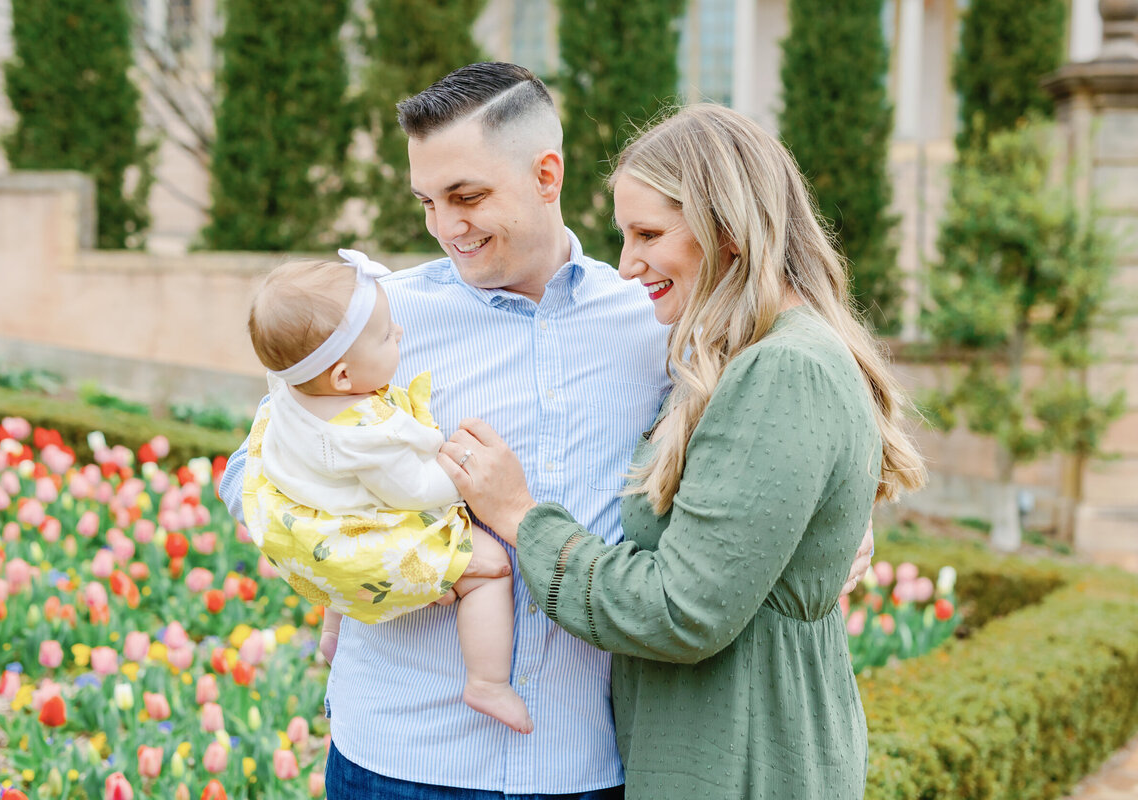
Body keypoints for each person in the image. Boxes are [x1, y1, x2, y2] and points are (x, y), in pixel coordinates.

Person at [219, 63, 873, 799]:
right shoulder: (376, 324)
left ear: (547, 173)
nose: (445, 227)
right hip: (402, 760)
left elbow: (768, 449)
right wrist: (367, 554)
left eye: (467, 197)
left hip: (588, 765)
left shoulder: (659, 316)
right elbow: (253, 470)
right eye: (428, 201)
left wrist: (845, 531)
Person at [436, 104, 927, 800]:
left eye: (649, 234)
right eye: (624, 236)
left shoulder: (781, 368)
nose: (629, 264)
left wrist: (519, 517)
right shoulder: (735, 358)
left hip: (743, 758)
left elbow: (680, 610)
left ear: (726, 231)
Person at [241, 249, 532, 734]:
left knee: (339, 550)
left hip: (319, 531)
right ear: (343, 377)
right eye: (384, 335)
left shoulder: (292, 390)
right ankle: (487, 682)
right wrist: (465, 474)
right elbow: (415, 489)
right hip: (370, 535)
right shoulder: (366, 435)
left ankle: (333, 630)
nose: (398, 333)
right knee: (490, 570)